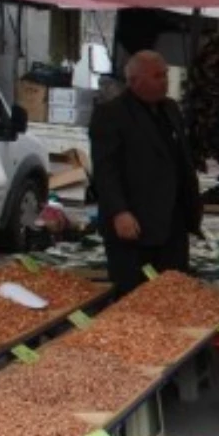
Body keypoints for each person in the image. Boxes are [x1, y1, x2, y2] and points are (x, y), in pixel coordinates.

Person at [90, 51, 201, 295]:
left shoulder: (171, 109)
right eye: (157, 76)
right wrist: (119, 211)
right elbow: (105, 169)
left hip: (172, 222)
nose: (165, 81)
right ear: (135, 80)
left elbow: (181, 159)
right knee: (133, 294)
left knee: (170, 292)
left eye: (165, 75)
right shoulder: (111, 114)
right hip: (134, 222)